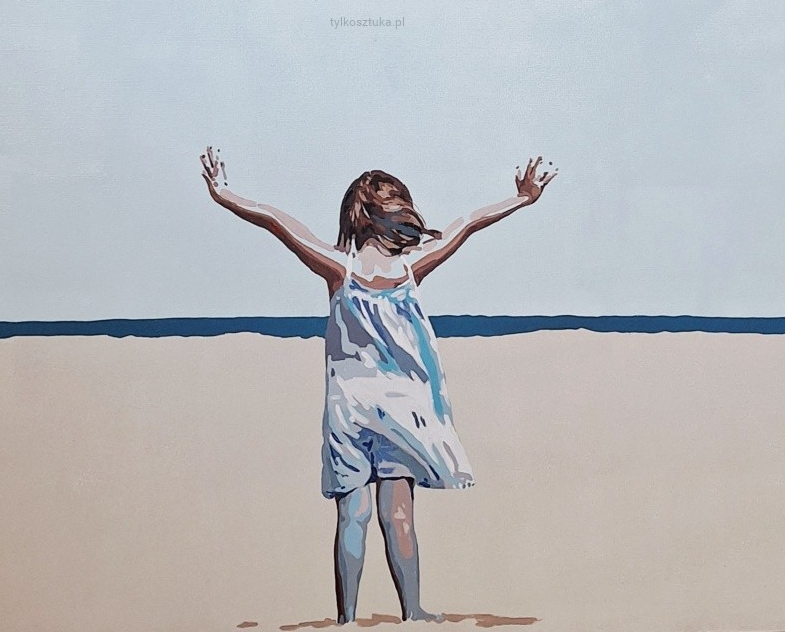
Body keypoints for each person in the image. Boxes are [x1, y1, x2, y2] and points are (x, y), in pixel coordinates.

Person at [200, 146, 556, 624]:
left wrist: (224, 194)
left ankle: (346, 619)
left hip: (348, 411)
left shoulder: (338, 268)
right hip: (402, 412)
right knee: (399, 514)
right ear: (397, 214)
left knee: (353, 515)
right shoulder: (411, 267)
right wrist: (522, 199)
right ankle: (412, 612)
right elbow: (469, 222)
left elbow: (275, 221)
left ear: (354, 218)